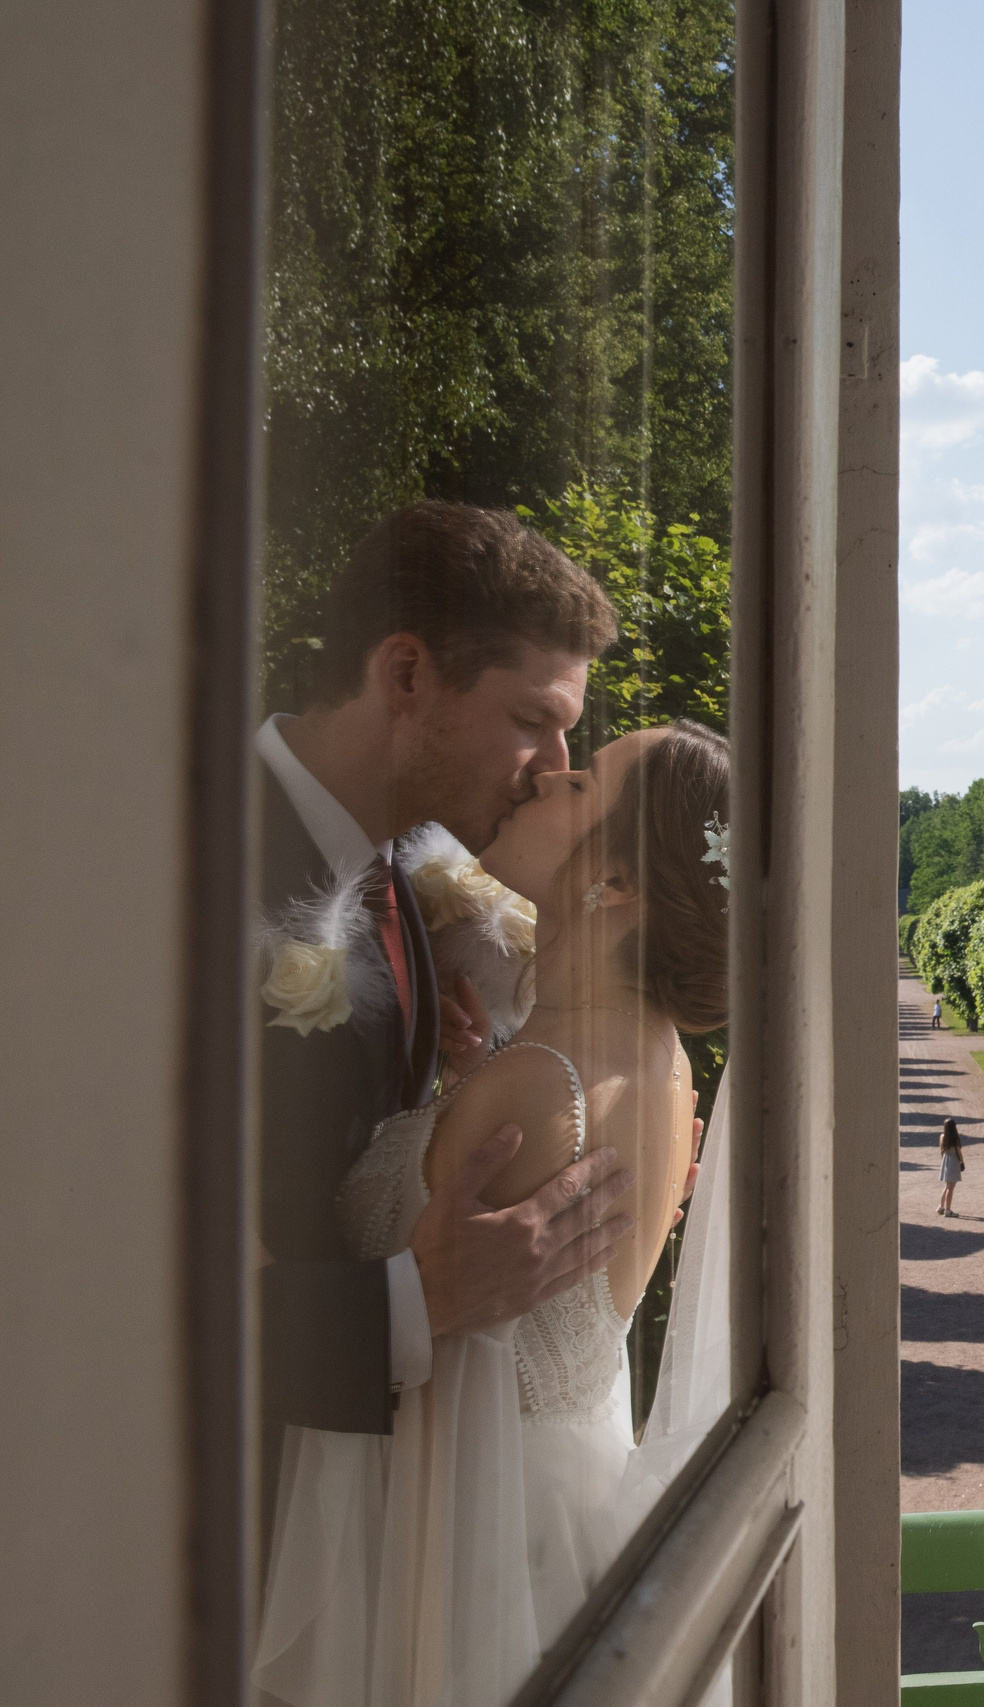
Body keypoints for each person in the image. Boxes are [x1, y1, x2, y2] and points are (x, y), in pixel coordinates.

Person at [255, 718, 733, 1705]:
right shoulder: (651, 1061)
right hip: (547, 1531)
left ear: (617, 887)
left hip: (454, 1558)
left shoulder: (531, 1092)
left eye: (581, 784)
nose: (548, 775)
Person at [251, 500, 632, 1507]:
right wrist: (412, 1310)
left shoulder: (413, 871)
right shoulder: (180, 869)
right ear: (408, 675)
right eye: (530, 721)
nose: (555, 768)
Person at [939, 1116, 967, 1215]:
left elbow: (941, 1150)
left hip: (946, 1160)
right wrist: (962, 1162)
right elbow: (959, 1152)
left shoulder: (942, 1137)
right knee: (951, 1187)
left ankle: (941, 1206)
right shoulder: (954, 1138)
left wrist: (943, 1160)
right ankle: (948, 1210)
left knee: (947, 1185)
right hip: (953, 1161)